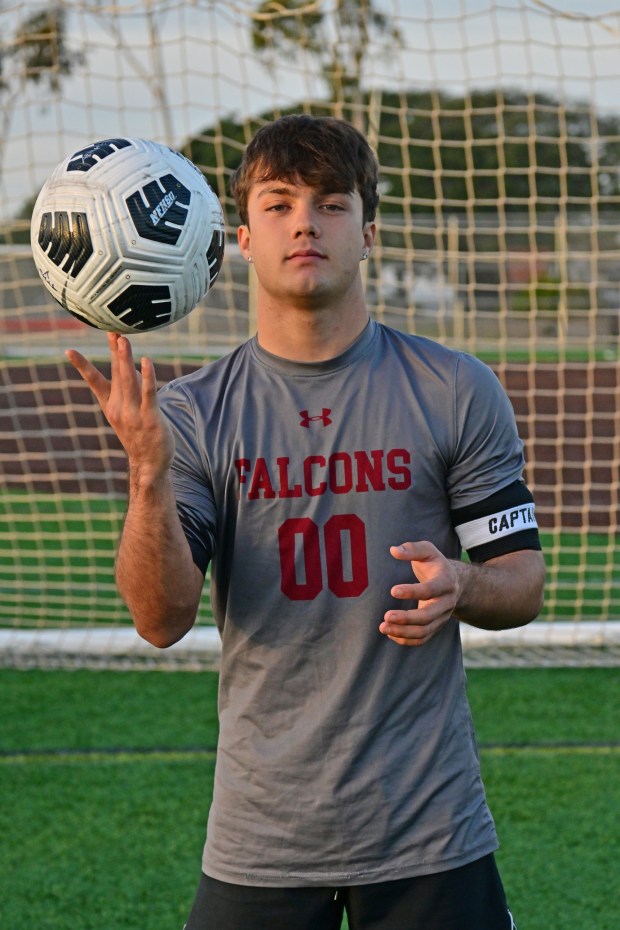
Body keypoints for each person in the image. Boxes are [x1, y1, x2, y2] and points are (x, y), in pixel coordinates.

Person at [66, 114, 545, 930]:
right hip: (262, 838)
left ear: (368, 232)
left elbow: (523, 585)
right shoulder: (191, 413)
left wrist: (462, 584)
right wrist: (148, 477)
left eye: (331, 204)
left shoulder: (457, 388)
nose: (306, 224)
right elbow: (159, 619)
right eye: (281, 203)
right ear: (243, 237)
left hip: (429, 830)